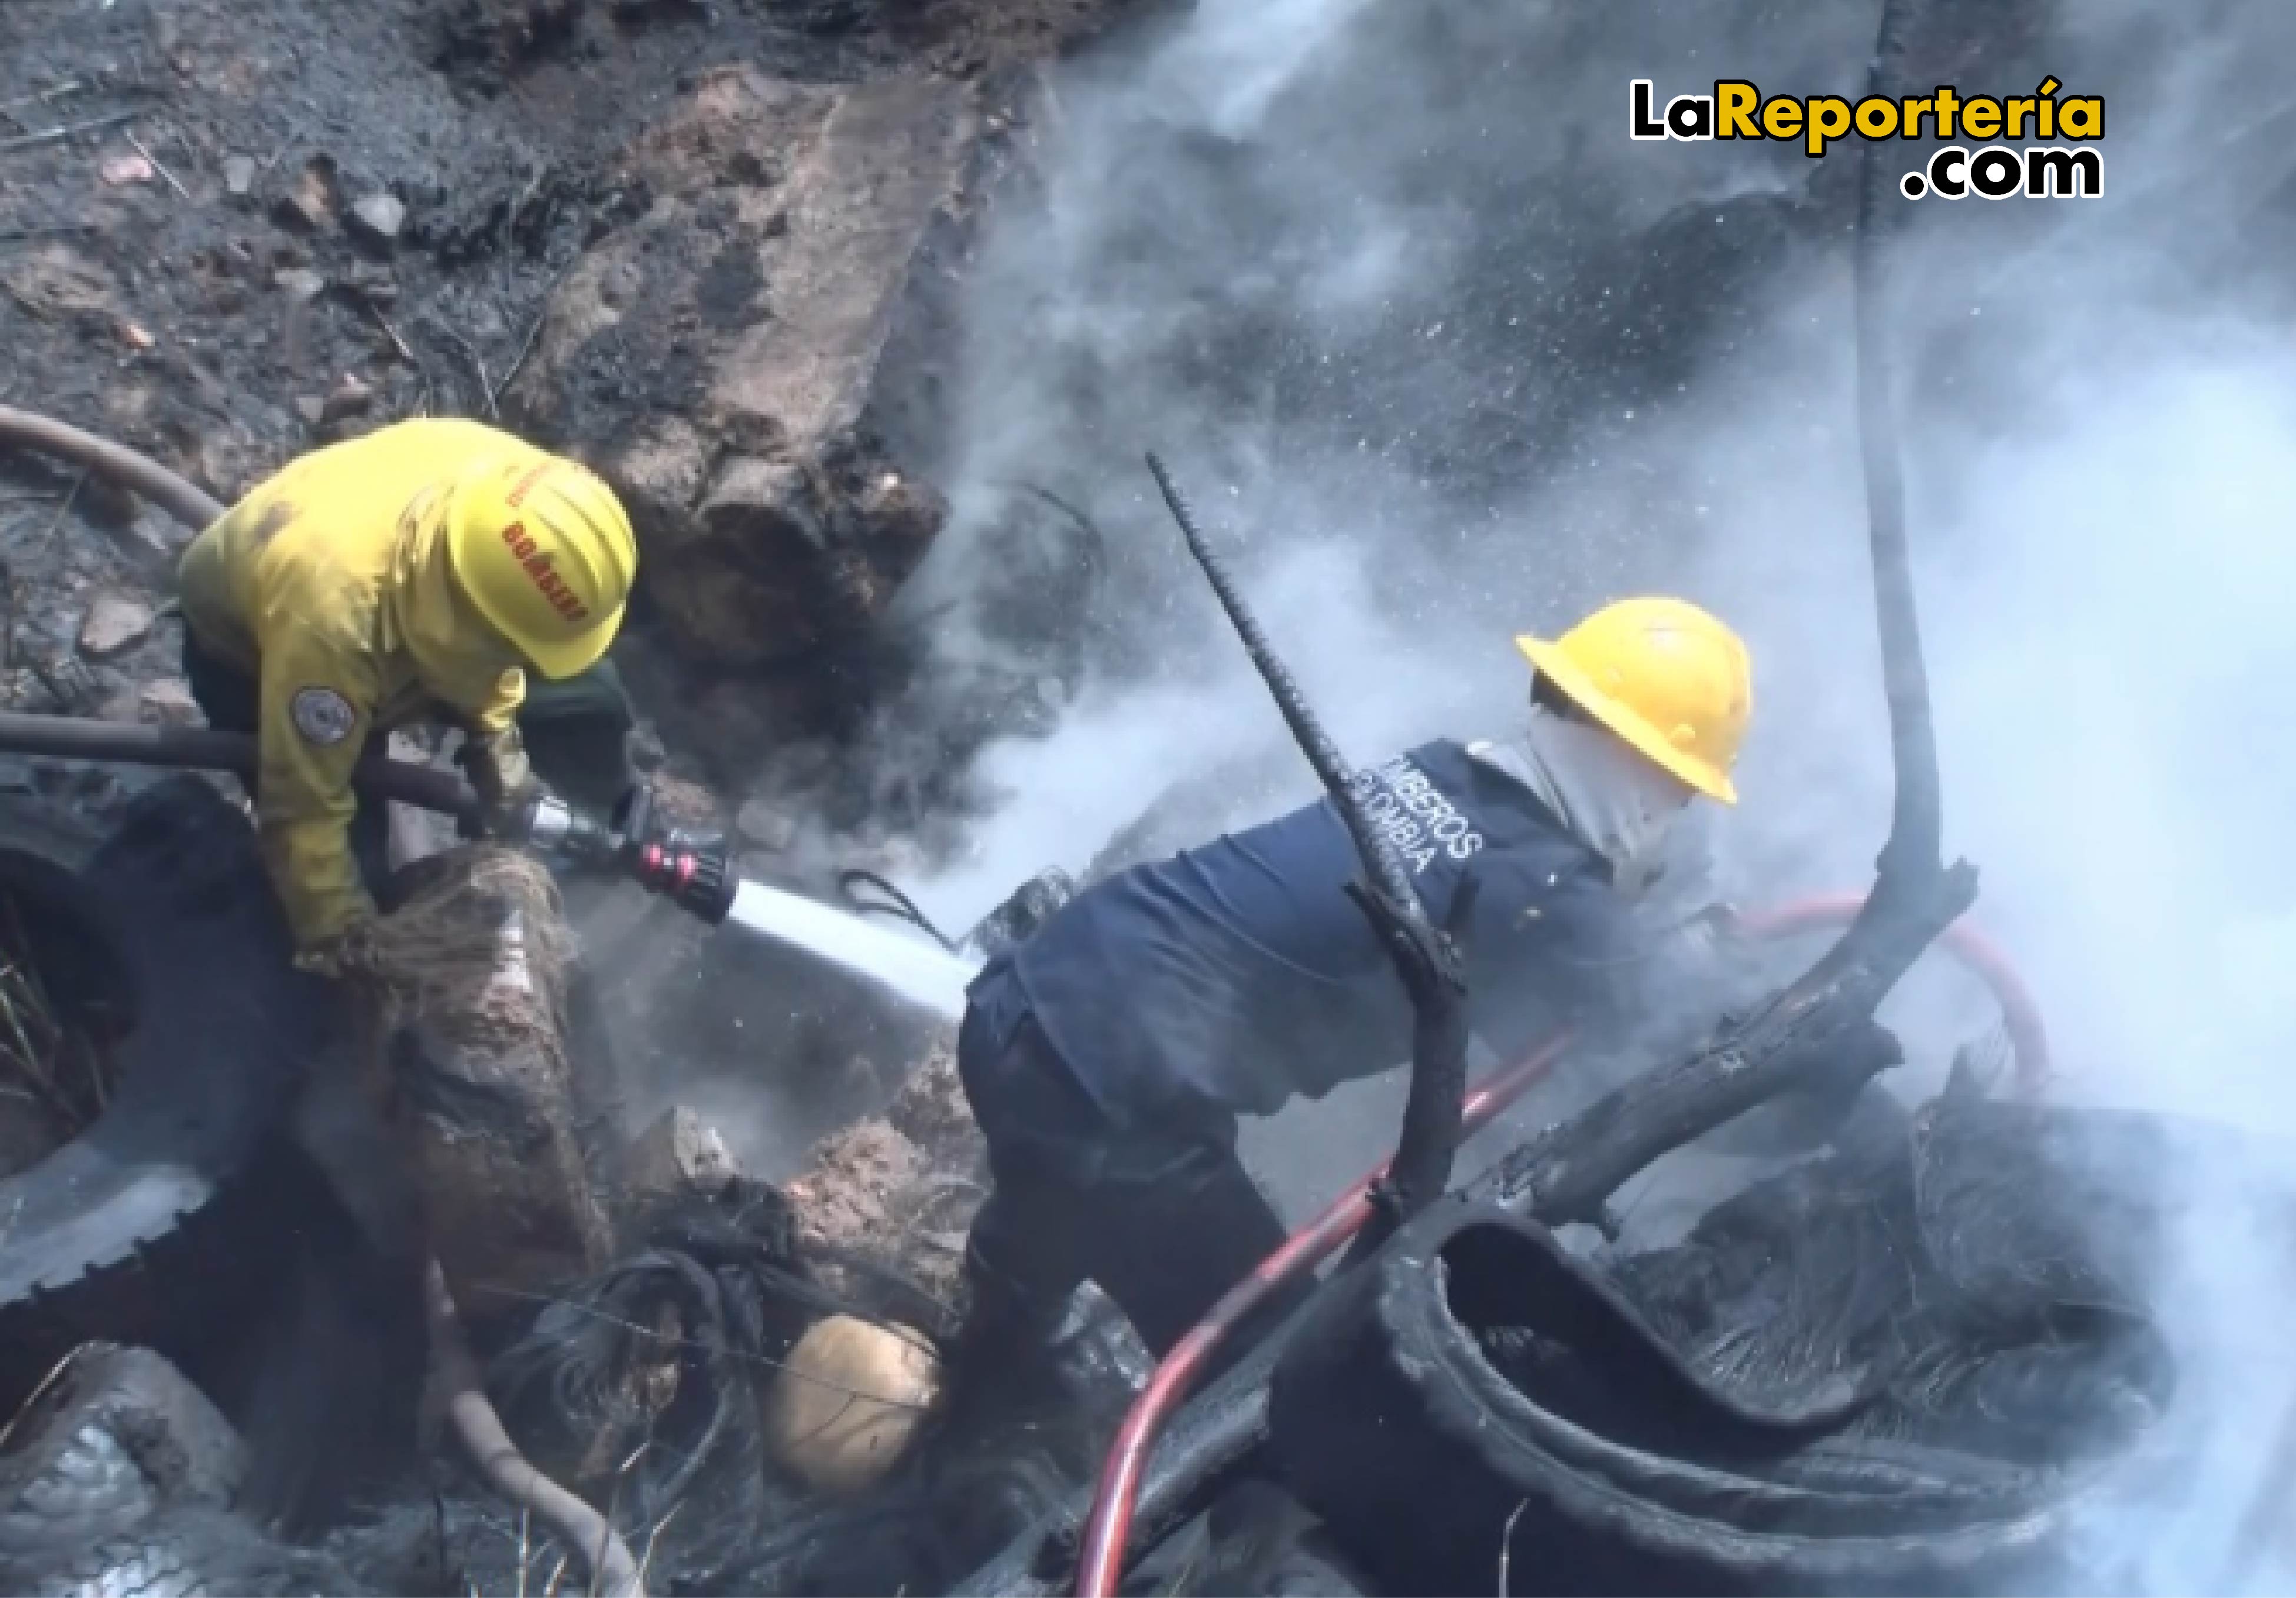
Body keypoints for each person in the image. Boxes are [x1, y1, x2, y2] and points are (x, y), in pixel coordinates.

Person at [948, 596, 1770, 1384]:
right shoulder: (1548, 897)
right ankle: (1129, 1503)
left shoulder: (1439, 768)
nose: (1678, 814)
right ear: (1644, 774)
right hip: (1104, 1106)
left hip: (1022, 1001)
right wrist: (1790, 1066)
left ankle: (978, 1379)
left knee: (1047, 1229)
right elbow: (1664, 1054)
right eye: (1682, 791)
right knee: (1273, 1382)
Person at [175, 417, 641, 980]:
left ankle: (598, 826)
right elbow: (304, 804)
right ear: (467, 628)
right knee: (350, 851)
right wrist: (342, 934)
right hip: (256, 660)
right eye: (511, 649)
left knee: (591, 698)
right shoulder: (333, 627)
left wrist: (500, 756)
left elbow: (502, 650)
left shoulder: (515, 496)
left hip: (397, 599)